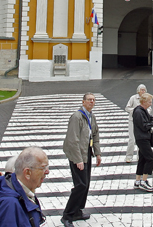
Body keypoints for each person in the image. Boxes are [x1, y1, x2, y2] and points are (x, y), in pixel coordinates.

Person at [61, 93, 101, 227]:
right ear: (83, 102)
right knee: (80, 185)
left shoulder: (91, 116)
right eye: (89, 100)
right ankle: (67, 215)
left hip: (87, 153)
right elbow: (72, 140)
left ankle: (78, 210)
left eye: (94, 100)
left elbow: (95, 134)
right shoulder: (77, 117)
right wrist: (78, 159)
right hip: (77, 155)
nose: (92, 102)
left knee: (86, 184)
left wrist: (98, 153)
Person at [0, 147, 48, 227]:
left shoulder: (23, 192)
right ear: (27, 173)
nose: (47, 172)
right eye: (43, 168)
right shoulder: (9, 205)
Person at [133, 92, 153, 192]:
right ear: (144, 102)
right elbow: (144, 126)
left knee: (142, 159)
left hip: (142, 137)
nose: (151, 103)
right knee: (150, 159)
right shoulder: (139, 112)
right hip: (142, 138)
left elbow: (150, 120)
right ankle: (144, 181)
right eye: (150, 102)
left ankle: (138, 181)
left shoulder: (142, 110)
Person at [125, 84, 149, 163]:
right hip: (132, 120)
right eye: (141, 90)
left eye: (144, 90)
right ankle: (129, 156)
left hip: (142, 122)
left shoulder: (146, 99)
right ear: (138, 91)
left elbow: (149, 108)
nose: (143, 91)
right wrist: (136, 111)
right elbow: (127, 108)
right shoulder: (133, 98)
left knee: (141, 139)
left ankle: (140, 156)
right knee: (132, 139)